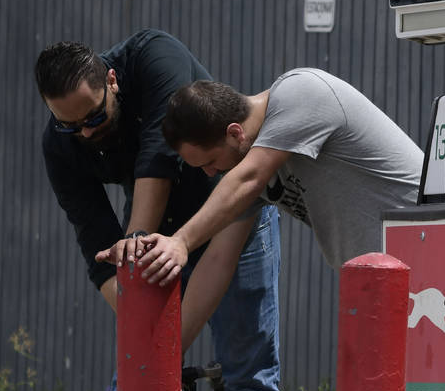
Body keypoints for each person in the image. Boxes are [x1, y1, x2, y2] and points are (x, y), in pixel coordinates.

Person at [35, 30, 283, 391]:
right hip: (154, 245)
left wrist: (145, 242)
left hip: (229, 218)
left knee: (247, 372)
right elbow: (96, 243)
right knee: (137, 373)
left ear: (112, 83)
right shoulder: (61, 146)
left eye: (92, 119)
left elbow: (158, 159)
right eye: (67, 125)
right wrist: (144, 332)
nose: (83, 135)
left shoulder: (154, 56)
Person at [97, 68, 422, 314]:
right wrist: (167, 354)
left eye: (210, 161)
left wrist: (180, 241)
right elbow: (218, 261)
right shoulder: (258, 170)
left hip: (432, 250)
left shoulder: (302, 91)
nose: (211, 173)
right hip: (379, 281)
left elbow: (247, 177)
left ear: (235, 133)